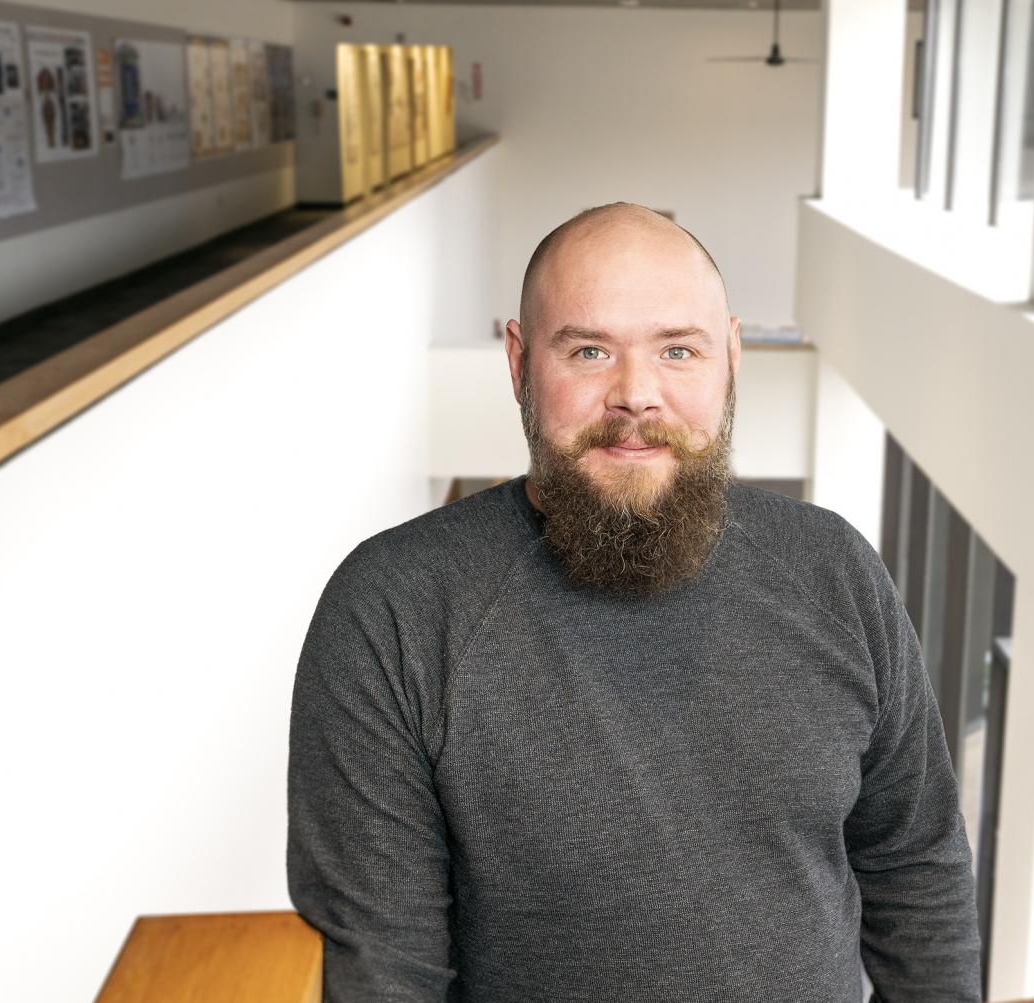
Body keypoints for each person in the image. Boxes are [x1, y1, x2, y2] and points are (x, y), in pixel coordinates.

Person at [287, 203, 981, 1002]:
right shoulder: (393, 610)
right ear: (519, 363)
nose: (636, 396)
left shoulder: (835, 571)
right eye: (588, 350)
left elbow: (917, 868)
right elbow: (385, 974)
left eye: (677, 349)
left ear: (731, 357)